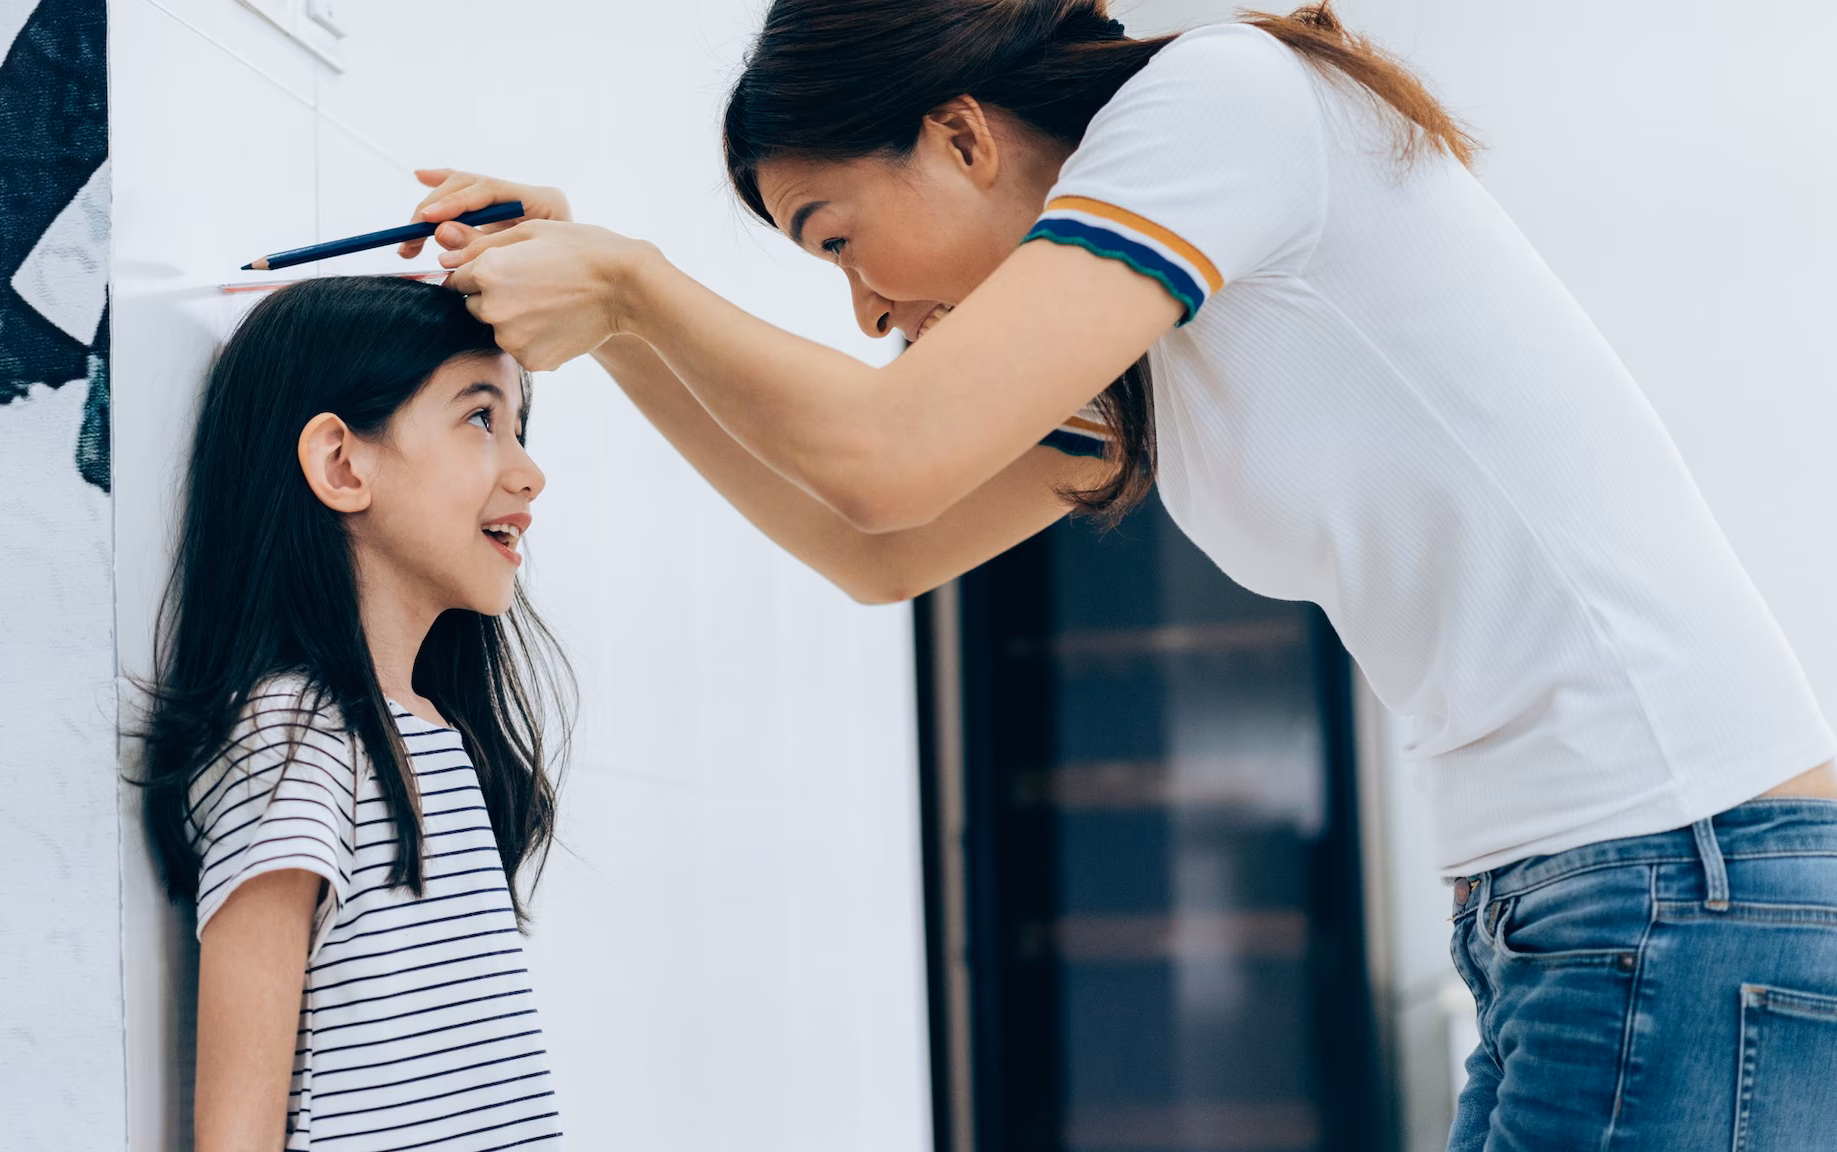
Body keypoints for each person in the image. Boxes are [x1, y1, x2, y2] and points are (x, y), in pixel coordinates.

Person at [401, 1, 1837, 1147]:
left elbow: (885, 455)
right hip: (1605, 898)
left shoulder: (1223, 105)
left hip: (1673, 878)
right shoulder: (1157, 323)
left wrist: (640, 279)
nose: (865, 306)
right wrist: (615, 331)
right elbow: (876, 549)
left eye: (837, 239)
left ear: (960, 134)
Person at [136, 276, 569, 1152]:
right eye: (481, 418)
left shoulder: (433, 736)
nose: (529, 472)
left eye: (518, 425)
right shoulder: (297, 739)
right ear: (343, 463)